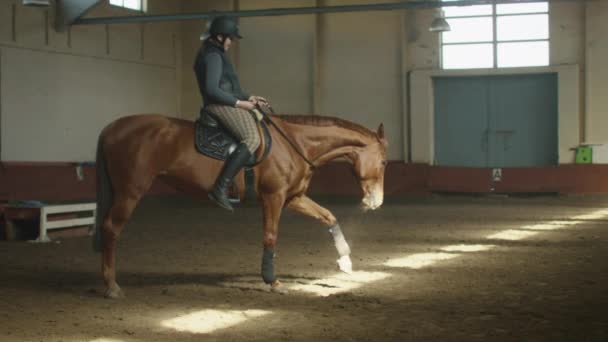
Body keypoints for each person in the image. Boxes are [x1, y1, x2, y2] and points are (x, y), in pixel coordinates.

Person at [194, 16, 267, 211]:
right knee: (252, 138)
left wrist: (251, 97)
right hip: (218, 105)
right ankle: (220, 187)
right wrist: (240, 104)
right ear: (219, 36)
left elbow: (230, 87)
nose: (231, 43)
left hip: (227, 102)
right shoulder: (213, 56)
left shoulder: (218, 54)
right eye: (230, 39)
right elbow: (212, 90)